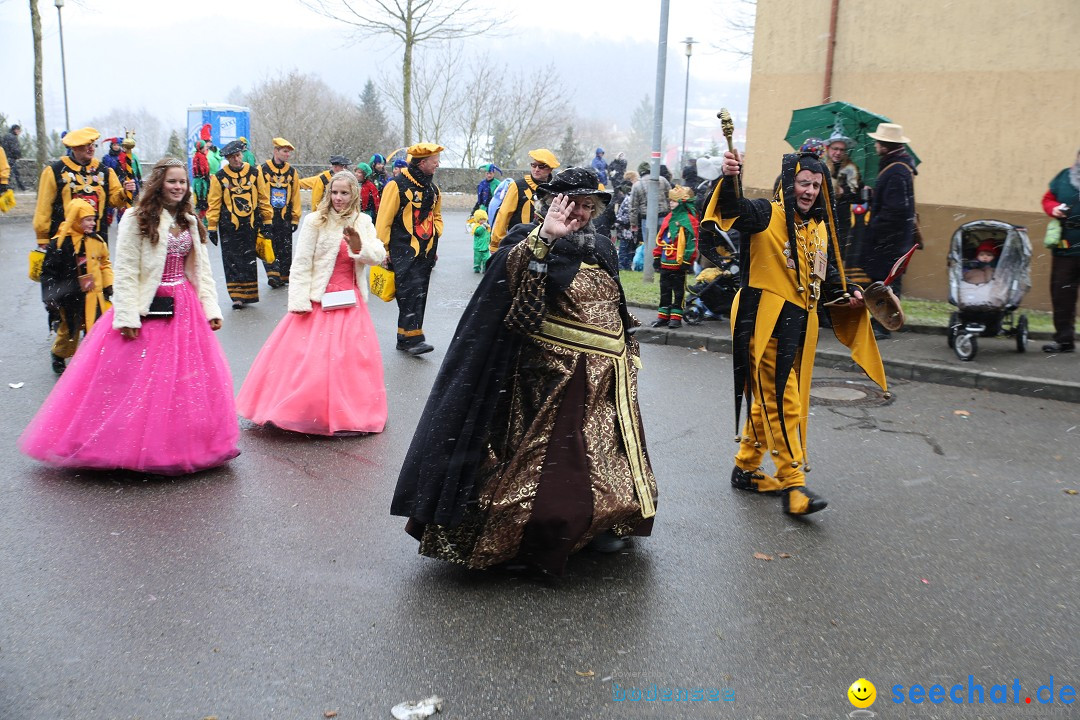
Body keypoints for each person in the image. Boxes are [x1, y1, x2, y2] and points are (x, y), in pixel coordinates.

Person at [391, 167, 657, 576]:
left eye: (588, 206)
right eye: (572, 204)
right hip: (551, 378)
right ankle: (535, 539)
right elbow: (510, 285)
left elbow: (614, 301)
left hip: (609, 379)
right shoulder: (528, 239)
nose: (580, 213)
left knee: (604, 459)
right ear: (551, 203)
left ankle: (602, 524)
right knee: (550, 467)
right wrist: (546, 238)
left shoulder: (600, 246)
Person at [19, 158, 239, 475]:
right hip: (146, 304)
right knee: (140, 380)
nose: (178, 187)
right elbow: (124, 273)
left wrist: (211, 308)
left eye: (183, 182)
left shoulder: (190, 220)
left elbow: (200, 270)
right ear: (159, 184)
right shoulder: (136, 218)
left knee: (183, 383)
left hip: (185, 305)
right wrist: (126, 317)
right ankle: (125, 444)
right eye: (172, 181)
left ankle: (179, 443)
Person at [704, 149, 887, 516]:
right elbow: (732, 208)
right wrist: (728, 177)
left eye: (817, 185)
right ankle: (793, 484)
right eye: (804, 183)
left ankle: (746, 468)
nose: (810, 191)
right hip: (763, 320)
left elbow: (828, 277)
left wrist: (848, 292)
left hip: (801, 326)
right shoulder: (764, 214)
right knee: (784, 401)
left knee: (774, 398)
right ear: (789, 183)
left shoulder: (818, 228)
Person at [237, 171, 388, 435]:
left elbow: (377, 255)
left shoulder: (363, 221)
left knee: (350, 361)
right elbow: (302, 263)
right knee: (310, 361)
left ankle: (348, 413)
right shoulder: (315, 221)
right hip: (319, 297)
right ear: (328, 193)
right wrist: (298, 300)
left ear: (354, 195)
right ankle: (309, 411)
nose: (338, 198)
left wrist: (358, 246)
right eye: (334, 192)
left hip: (350, 301)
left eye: (344, 193)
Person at [375, 142, 444, 355]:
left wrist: (436, 233)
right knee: (408, 292)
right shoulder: (396, 185)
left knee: (418, 293)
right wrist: (383, 249)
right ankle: (413, 338)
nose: (437, 165)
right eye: (434, 162)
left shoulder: (433, 189)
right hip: (402, 250)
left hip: (426, 252)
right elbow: (384, 219)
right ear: (422, 163)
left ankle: (406, 337)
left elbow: (437, 216)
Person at [38, 199, 113, 373]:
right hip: (71, 296)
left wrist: (108, 283)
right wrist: (51, 297)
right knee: (69, 331)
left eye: (93, 219)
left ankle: (91, 360)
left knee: (95, 328)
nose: (92, 223)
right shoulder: (59, 244)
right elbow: (48, 273)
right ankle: (59, 354)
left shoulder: (97, 240)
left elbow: (104, 263)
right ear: (75, 219)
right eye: (87, 219)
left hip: (94, 294)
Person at [33, 127, 135, 245]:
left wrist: (124, 192)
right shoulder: (54, 171)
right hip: (64, 241)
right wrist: (43, 237)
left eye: (93, 144)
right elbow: (43, 207)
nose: (91, 148)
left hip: (97, 241)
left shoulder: (105, 171)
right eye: (87, 145)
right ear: (75, 147)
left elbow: (114, 200)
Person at [865, 122, 917, 339]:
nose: (876, 144)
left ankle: (884, 326)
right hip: (895, 239)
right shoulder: (897, 166)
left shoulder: (895, 171)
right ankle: (883, 322)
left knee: (887, 283)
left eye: (878, 141)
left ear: (885, 145)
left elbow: (895, 210)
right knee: (889, 282)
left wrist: (874, 228)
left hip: (890, 241)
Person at [207, 140, 261, 308]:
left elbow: (263, 198)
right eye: (232, 157)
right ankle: (236, 296)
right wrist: (212, 226)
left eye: (238, 156)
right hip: (228, 225)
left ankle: (249, 293)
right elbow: (214, 203)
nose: (236, 160)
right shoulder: (220, 177)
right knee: (231, 260)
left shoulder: (254, 173)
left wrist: (267, 221)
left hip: (250, 224)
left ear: (242, 154)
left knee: (248, 259)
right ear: (227, 159)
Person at [1040, 148, 1080, 353]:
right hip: (1065, 246)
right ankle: (1064, 339)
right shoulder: (1064, 177)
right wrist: (1053, 208)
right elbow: (1047, 199)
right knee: (1062, 292)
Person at [490, 148, 560, 252]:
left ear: (550, 169)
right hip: (518, 244)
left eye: (541, 166)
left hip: (547, 246)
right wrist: (496, 245)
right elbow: (503, 215)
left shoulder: (556, 189)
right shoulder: (517, 186)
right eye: (533, 165)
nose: (536, 169)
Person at [651, 185, 699, 328]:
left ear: (683, 202)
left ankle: (676, 318)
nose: (670, 203)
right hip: (666, 260)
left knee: (678, 292)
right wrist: (657, 257)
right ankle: (663, 317)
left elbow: (692, 242)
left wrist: (687, 259)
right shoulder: (668, 218)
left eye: (674, 201)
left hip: (678, 262)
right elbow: (661, 238)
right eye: (670, 200)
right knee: (664, 290)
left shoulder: (690, 220)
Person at [257, 137, 302, 288]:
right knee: (269, 245)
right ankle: (272, 275)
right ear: (275, 151)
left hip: (285, 215)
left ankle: (284, 274)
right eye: (284, 151)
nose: (287, 155)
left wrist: (295, 217)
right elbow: (259, 194)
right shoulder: (262, 170)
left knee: (285, 247)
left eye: (289, 152)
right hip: (268, 215)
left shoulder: (291, 172)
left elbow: (295, 195)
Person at [824, 130, 866, 281]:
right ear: (828, 149)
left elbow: (858, 195)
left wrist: (844, 192)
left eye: (842, 150)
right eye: (835, 149)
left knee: (837, 255)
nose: (838, 153)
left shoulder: (851, 170)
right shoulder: (821, 166)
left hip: (841, 221)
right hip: (823, 218)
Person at [629, 163, 672, 244]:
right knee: (664, 244)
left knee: (649, 245)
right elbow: (670, 197)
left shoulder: (637, 185)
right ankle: (661, 256)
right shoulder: (663, 180)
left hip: (647, 219)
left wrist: (633, 223)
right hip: (664, 217)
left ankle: (650, 256)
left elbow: (633, 207)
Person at [191, 141, 211, 219]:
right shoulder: (200, 156)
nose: (206, 148)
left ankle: (199, 220)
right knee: (203, 202)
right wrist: (206, 177)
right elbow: (204, 169)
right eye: (205, 147)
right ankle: (202, 222)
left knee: (199, 202)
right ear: (201, 148)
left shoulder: (197, 155)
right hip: (201, 182)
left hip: (198, 181)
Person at [1, 124, 24, 190]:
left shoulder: (6, 136)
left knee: (8, 173)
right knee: (13, 173)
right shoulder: (13, 137)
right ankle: (20, 187)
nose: (19, 132)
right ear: (15, 130)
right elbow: (15, 148)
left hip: (5, 158)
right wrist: (18, 155)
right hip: (11, 158)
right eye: (19, 130)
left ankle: (20, 187)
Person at [467, 207, 490, 272]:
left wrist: (490, 241)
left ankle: (485, 269)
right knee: (477, 259)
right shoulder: (476, 226)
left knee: (486, 259)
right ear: (477, 220)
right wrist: (483, 227)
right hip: (478, 247)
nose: (483, 221)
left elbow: (488, 235)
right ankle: (477, 268)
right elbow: (477, 232)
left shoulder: (487, 227)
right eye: (481, 220)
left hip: (485, 247)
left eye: (484, 219)